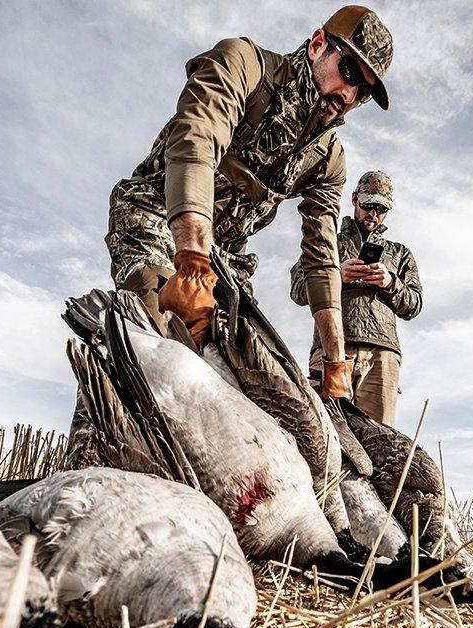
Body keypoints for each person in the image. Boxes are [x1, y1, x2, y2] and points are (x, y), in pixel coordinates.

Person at [105, 5, 393, 401]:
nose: (349, 95)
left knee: (258, 379)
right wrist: (191, 263)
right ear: (317, 44)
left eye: (363, 92)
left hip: (227, 258)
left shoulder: (329, 158)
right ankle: (95, 448)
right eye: (348, 72)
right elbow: (195, 141)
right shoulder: (242, 64)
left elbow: (321, 259)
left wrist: (335, 364)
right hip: (157, 217)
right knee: (159, 346)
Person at [291, 170, 422, 425]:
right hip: (331, 348)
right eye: (368, 205)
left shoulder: (400, 253)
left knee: (379, 438)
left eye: (381, 208)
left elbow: (414, 305)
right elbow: (297, 289)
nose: (373, 213)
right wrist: (335, 275)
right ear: (354, 199)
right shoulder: (326, 242)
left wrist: (390, 282)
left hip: (382, 356)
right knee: (324, 431)